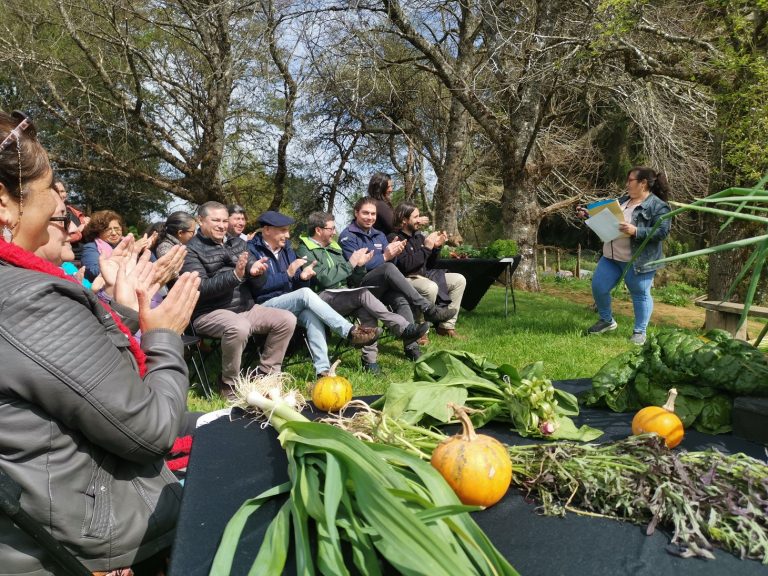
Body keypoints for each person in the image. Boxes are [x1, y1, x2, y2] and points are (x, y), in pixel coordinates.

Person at [0, 109, 201, 575]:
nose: (69, 219)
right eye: (53, 192)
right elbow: (149, 431)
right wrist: (164, 337)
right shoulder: (27, 300)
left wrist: (124, 311)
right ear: (4, 203)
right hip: (78, 545)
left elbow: (64, 376)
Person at [181, 201, 298, 398]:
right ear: (200, 220)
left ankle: (266, 375)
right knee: (239, 326)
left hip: (245, 308)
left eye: (224, 220)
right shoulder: (190, 250)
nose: (222, 225)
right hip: (209, 312)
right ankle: (229, 382)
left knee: (286, 319)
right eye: (216, 220)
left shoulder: (238, 243)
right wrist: (235, 276)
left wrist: (257, 272)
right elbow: (200, 288)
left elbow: (257, 279)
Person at [247, 210, 383, 378]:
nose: (288, 235)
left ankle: (323, 371)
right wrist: (288, 275)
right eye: (283, 230)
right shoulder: (252, 251)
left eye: (288, 230)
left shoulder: (286, 250)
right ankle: (350, 332)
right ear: (267, 230)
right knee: (305, 294)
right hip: (263, 305)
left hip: (289, 303)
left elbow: (296, 282)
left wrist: (303, 278)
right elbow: (258, 287)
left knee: (311, 315)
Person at [296, 211, 430, 373]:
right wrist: (350, 264)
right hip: (319, 299)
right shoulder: (305, 250)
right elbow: (324, 280)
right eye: (331, 229)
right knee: (362, 294)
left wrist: (359, 266)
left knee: (366, 309)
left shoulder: (334, 247)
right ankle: (402, 328)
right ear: (318, 230)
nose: (335, 232)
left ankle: (369, 361)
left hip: (342, 295)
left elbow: (352, 278)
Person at [338, 197, 453, 360]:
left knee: (401, 299)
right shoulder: (347, 236)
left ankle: (411, 347)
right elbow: (357, 266)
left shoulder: (379, 235)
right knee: (387, 267)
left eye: (373, 214)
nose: (370, 217)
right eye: (365, 213)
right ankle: (427, 308)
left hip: (382, 286)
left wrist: (395, 254)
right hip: (360, 287)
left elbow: (394, 265)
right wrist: (386, 256)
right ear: (356, 213)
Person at [580, 166, 672, 345]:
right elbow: (607, 218)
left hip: (638, 260)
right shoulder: (622, 201)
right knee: (599, 287)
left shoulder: (659, 206)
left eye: (630, 181)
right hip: (611, 257)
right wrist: (588, 214)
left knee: (640, 294)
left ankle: (639, 332)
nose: (627, 184)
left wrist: (635, 231)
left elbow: (662, 232)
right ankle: (606, 320)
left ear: (643, 183)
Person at [391, 202, 467, 338]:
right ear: (404, 219)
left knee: (459, 280)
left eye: (419, 216)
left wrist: (436, 247)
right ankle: (420, 330)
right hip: (406, 278)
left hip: (425, 275)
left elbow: (430, 264)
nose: (419, 220)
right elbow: (405, 266)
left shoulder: (419, 237)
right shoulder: (394, 238)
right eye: (415, 217)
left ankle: (446, 327)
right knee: (430, 287)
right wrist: (426, 248)